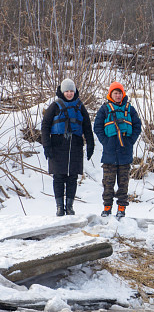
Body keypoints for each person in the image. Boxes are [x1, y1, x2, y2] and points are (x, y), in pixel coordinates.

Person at [41, 78, 95, 216]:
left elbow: (87, 127)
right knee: (58, 177)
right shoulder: (55, 105)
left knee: (72, 177)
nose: (70, 93)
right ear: (62, 92)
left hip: (75, 145)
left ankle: (69, 207)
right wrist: (46, 145)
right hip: (58, 145)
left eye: (72, 91)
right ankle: (60, 207)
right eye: (67, 91)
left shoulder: (80, 106)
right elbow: (45, 126)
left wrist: (90, 144)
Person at [93, 81, 142, 218]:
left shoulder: (130, 109)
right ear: (111, 94)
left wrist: (130, 141)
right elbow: (97, 127)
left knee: (123, 184)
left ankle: (121, 209)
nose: (118, 95)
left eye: (120, 93)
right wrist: (105, 141)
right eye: (115, 93)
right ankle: (107, 208)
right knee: (108, 184)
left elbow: (138, 126)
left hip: (125, 153)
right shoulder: (104, 109)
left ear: (123, 94)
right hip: (109, 154)